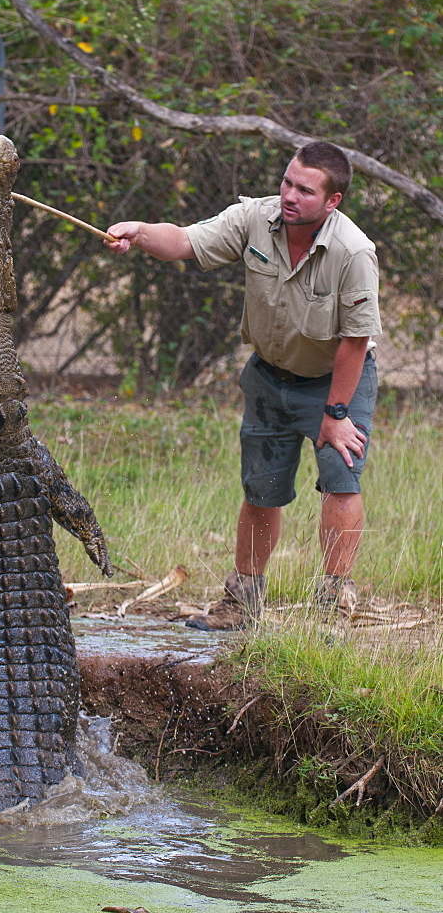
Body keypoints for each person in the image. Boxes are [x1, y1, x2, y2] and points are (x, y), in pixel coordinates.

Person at [104, 141, 381, 630]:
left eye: (305, 190)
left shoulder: (353, 252)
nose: (290, 195)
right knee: (261, 490)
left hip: (336, 381)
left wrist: (335, 416)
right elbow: (186, 241)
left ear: (332, 201)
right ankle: (242, 602)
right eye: (288, 181)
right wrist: (140, 233)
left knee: (341, 480)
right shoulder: (257, 218)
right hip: (269, 375)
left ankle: (333, 606)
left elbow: (354, 342)